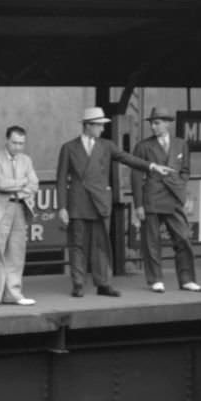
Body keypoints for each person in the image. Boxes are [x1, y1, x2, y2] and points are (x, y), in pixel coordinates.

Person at [56, 106, 172, 298]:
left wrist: (151, 166)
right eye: (99, 125)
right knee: (77, 245)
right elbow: (61, 180)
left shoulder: (107, 145)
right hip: (78, 203)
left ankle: (103, 284)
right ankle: (78, 283)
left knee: (102, 245)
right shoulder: (69, 147)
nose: (102, 129)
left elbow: (127, 158)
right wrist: (62, 207)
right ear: (89, 126)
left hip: (100, 202)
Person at [131, 107, 201, 293]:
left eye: (157, 123)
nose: (153, 127)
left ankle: (187, 279)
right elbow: (136, 176)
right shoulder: (143, 146)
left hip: (174, 198)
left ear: (167, 123)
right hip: (152, 198)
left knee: (184, 238)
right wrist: (138, 204)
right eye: (152, 123)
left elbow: (186, 170)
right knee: (151, 241)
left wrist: (179, 184)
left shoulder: (181, 144)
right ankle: (155, 279)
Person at [0, 125, 39, 308]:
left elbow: (34, 184)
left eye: (21, 143)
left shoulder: (26, 160)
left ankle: (13, 294)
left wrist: (20, 187)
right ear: (6, 140)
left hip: (19, 208)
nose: (17, 147)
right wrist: (22, 183)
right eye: (14, 142)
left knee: (16, 252)